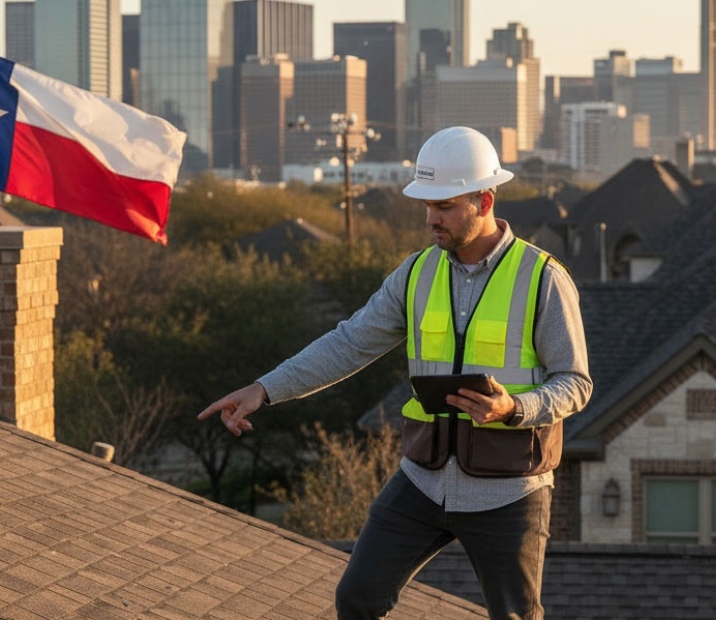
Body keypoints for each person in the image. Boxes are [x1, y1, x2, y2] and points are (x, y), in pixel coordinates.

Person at [198, 126, 592, 620]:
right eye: (426, 205)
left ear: (484, 199)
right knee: (357, 599)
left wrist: (514, 408)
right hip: (422, 482)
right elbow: (349, 343)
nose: (431, 219)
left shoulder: (543, 278)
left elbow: (575, 383)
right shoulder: (416, 273)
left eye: (444, 206)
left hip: (510, 490)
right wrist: (264, 389)